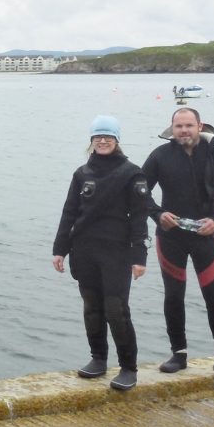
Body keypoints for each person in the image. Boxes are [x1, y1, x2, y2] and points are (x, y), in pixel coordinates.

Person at [142, 107, 214, 397]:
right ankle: (179, 354)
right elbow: (140, 189)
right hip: (171, 237)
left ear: (199, 126)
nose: (184, 130)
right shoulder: (159, 156)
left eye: (189, 125)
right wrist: (157, 213)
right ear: (172, 128)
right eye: (179, 126)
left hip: (205, 237)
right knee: (173, 296)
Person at [52, 116, 149, 391]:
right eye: (98, 137)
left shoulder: (132, 173)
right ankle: (98, 358)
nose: (103, 141)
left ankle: (129, 367)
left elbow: (140, 217)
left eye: (108, 137)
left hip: (116, 252)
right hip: (84, 250)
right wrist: (60, 249)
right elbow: (69, 212)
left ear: (117, 140)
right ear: (91, 141)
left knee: (116, 310)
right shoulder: (82, 174)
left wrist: (139, 256)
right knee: (92, 308)